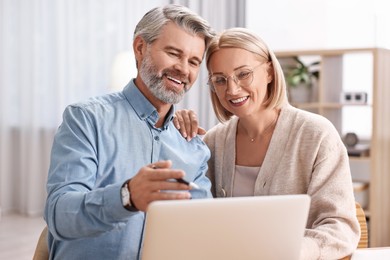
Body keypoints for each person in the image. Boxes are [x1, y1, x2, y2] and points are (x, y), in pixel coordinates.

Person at [44, 4, 215, 259]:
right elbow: (60, 215)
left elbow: (204, 229)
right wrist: (127, 196)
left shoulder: (192, 145)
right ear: (140, 48)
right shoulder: (86, 119)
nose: (183, 69)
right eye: (173, 53)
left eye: (193, 62)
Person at [174, 27, 360, 260]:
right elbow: (194, 219)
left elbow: (341, 228)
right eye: (220, 80)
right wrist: (177, 139)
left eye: (243, 74)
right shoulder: (213, 142)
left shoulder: (316, 135)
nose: (232, 89)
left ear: (270, 72)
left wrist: (293, 252)